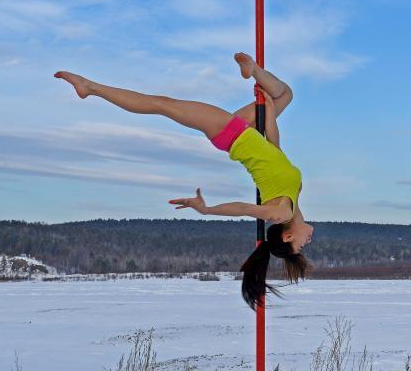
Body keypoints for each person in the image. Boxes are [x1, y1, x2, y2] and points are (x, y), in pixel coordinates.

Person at [54, 53, 312, 308]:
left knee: (163, 104)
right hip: (246, 131)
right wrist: (269, 114)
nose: (307, 242)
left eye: (301, 246)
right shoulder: (293, 203)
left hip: (231, 132)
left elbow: (243, 209)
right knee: (284, 94)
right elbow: (275, 150)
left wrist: (207, 210)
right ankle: (253, 70)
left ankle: (91, 88)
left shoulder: (278, 213)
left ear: (288, 238)